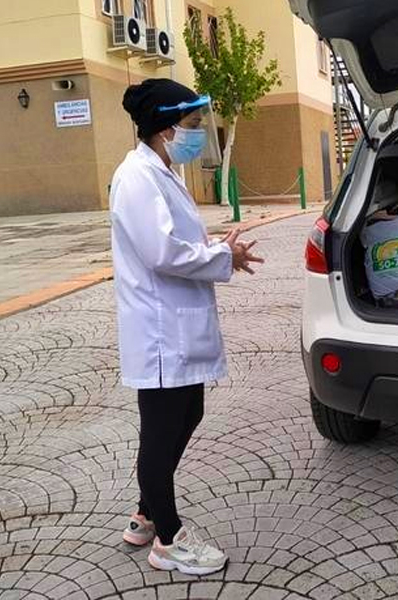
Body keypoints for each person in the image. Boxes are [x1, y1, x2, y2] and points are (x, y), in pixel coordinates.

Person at [111, 78, 263, 576]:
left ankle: (145, 514)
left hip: (175, 323)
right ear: (164, 127)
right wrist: (222, 254)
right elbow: (161, 252)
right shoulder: (136, 177)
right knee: (161, 431)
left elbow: (175, 240)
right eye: (193, 125)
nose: (197, 134)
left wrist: (219, 248)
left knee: (187, 414)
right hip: (158, 332)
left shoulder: (162, 170)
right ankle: (170, 541)